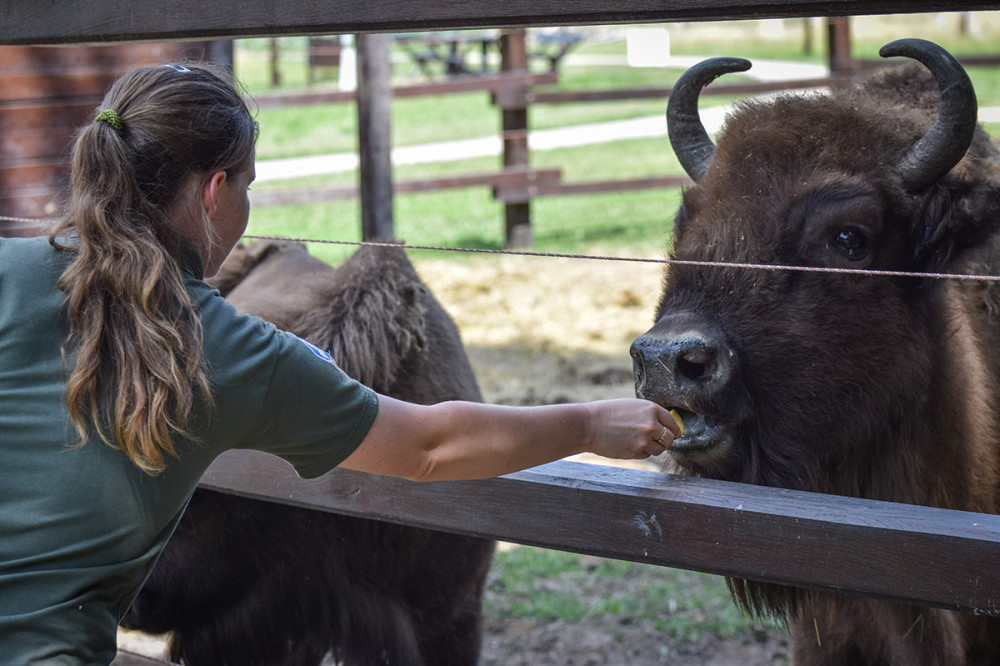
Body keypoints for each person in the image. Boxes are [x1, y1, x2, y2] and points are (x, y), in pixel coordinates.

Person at [0, 63, 680, 664]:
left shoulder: (8, 271)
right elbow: (431, 446)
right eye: (247, 185)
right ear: (214, 194)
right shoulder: (224, 349)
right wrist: (590, 424)